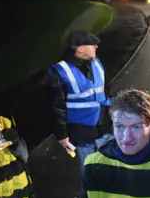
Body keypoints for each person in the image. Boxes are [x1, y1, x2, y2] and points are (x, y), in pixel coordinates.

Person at [47, 30, 113, 170]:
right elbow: (57, 106)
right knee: (90, 176)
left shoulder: (97, 63)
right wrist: (62, 135)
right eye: (92, 44)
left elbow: (106, 90)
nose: (96, 46)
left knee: (111, 173)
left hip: (105, 129)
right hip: (83, 135)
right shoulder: (60, 71)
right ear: (80, 48)